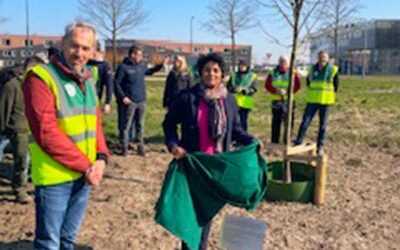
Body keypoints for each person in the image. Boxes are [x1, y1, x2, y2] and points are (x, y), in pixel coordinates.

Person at [23, 22, 109, 249]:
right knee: (49, 243)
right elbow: (46, 132)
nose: (79, 53)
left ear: (92, 51)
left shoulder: (89, 80)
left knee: (67, 240)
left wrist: (101, 157)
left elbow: (95, 123)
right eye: (74, 46)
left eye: (85, 48)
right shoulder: (40, 77)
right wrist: (86, 165)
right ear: (63, 43)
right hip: (55, 178)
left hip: (83, 176)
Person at [163, 53, 258, 250]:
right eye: (207, 70)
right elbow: (169, 124)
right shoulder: (187, 98)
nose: (211, 74)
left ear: (222, 74)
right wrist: (173, 145)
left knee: (206, 215)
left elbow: (237, 131)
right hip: (194, 166)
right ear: (200, 72)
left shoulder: (229, 100)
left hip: (217, 168)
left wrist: (252, 140)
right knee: (192, 216)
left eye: (216, 70)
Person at [114, 45, 168, 156]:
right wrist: (123, 97)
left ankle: (140, 148)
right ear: (132, 55)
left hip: (141, 101)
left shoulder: (141, 67)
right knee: (126, 126)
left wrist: (161, 65)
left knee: (140, 125)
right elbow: (116, 83)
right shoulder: (123, 68)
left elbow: (150, 71)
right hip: (129, 102)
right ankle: (124, 148)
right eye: (139, 55)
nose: (141, 57)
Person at [0, 64, 33, 203]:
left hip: (25, 129)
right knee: (21, 159)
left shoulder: (32, 85)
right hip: (14, 128)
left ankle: (20, 189)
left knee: (23, 160)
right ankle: (20, 190)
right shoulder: (12, 85)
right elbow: (3, 110)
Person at [295, 51, 339, 154]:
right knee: (305, 122)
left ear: (327, 59)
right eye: (320, 57)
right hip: (312, 101)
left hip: (326, 101)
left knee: (323, 126)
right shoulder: (312, 69)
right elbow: (308, 82)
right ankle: (298, 142)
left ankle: (320, 147)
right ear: (317, 58)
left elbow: (336, 86)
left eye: (324, 58)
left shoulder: (333, 70)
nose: (322, 60)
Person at [265, 55, 301, 144]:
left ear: (288, 63)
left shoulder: (293, 72)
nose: (283, 64)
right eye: (281, 62)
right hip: (276, 100)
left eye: (285, 62)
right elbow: (267, 85)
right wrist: (275, 91)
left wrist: (288, 91)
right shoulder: (273, 72)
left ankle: (287, 140)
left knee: (288, 122)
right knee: (276, 122)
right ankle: (274, 141)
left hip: (288, 100)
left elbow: (297, 85)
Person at [227, 59, 258, 131]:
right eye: (240, 65)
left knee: (243, 122)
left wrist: (244, 90)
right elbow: (228, 87)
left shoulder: (253, 76)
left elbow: (254, 89)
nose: (242, 67)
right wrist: (234, 89)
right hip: (234, 102)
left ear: (247, 66)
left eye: (243, 65)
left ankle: (244, 139)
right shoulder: (234, 75)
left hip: (245, 103)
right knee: (234, 121)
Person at [88, 41, 113, 114]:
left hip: (94, 98)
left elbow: (109, 85)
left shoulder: (104, 65)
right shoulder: (83, 63)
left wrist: (107, 102)